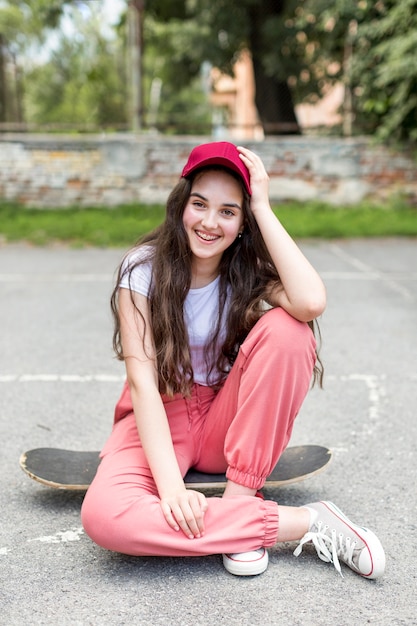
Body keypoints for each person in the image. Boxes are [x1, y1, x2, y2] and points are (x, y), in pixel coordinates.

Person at [81, 142, 385, 579]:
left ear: (243, 222)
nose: (209, 222)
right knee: (105, 517)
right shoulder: (142, 269)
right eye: (199, 204)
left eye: (228, 211)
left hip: (224, 421)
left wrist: (262, 205)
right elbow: (143, 383)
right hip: (159, 412)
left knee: (289, 331)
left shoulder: (246, 271)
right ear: (180, 205)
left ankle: (240, 500)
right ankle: (302, 523)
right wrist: (170, 489)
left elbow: (311, 301)